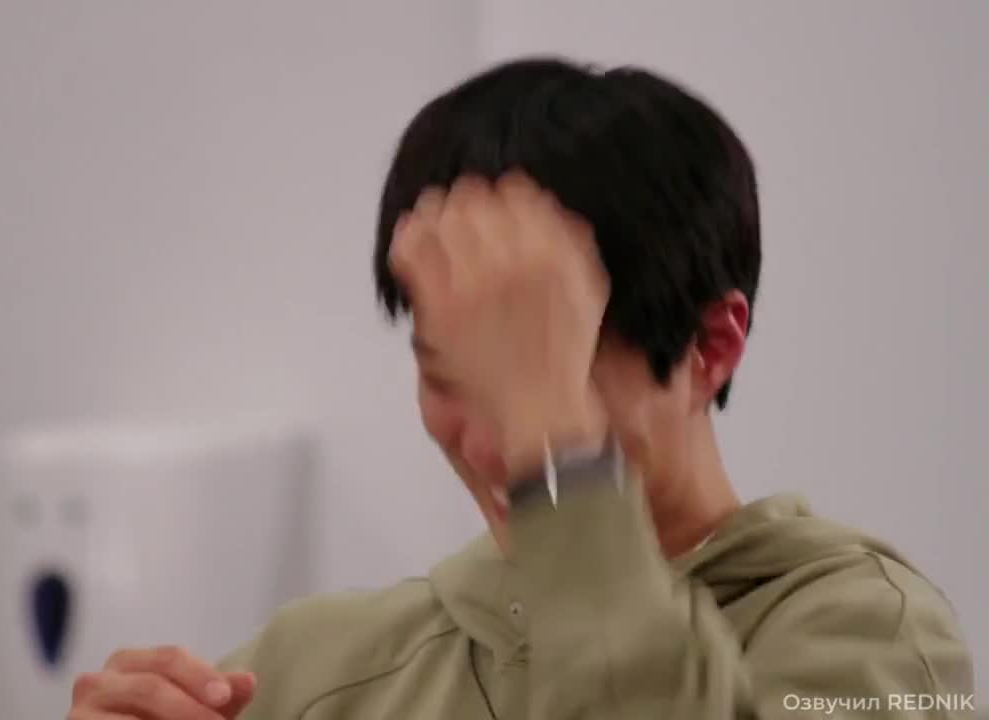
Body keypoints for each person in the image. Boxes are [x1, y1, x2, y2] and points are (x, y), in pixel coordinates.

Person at [66, 57, 974, 719]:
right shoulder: (314, 668)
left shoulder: (874, 646)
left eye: (536, 374)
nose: (492, 441)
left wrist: (558, 443)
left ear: (711, 346)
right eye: (447, 375)